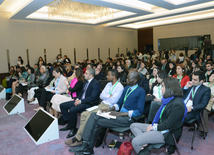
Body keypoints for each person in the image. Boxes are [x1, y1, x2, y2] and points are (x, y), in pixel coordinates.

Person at [69, 71, 146, 154]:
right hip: (119, 115)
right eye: (127, 77)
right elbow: (119, 103)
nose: (126, 79)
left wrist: (121, 114)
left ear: (134, 80)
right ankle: (86, 145)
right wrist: (111, 109)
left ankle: (87, 147)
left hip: (128, 118)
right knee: (94, 115)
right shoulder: (127, 88)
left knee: (96, 120)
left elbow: (139, 111)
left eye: (128, 78)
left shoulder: (141, 91)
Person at [65, 69, 124, 147]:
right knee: (84, 114)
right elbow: (101, 96)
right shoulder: (108, 84)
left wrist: (107, 97)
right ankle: (82, 137)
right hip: (101, 105)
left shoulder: (120, 87)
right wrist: (108, 96)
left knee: (89, 116)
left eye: (108, 75)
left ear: (113, 76)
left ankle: (78, 138)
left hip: (108, 108)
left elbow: (113, 100)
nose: (107, 76)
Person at [130, 77, 187, 155]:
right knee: (133, 125)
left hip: (167, 133)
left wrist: (154, 127)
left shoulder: (177, 104)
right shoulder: (168, 99)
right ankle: (145, 142)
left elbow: (168, 124)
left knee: (135, 142)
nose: (161, 89)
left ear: (170, 88)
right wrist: (153, 127)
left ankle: (143, 144)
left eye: (163, 86)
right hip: (160, 126)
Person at [59, 68, 100, 138]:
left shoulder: (96, 83)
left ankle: (73, 129)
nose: (84, 74)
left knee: (72, 110)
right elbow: (82, 93)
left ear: (91, 76)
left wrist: (80, 101)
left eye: (86, 73)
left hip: (89, 103)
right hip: (81, 101)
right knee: (62, 106)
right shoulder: (86, 82)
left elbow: (92, 98)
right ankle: (69, 124)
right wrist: (78, 99)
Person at [199, 72, 214, 137]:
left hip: (210, 103)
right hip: (202, 101)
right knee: (198, 109)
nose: (210, 77)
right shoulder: (205, 84)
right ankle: (196, 126)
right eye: (210, 76)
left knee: (204, 112)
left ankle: (204, 130)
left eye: (212, 76)